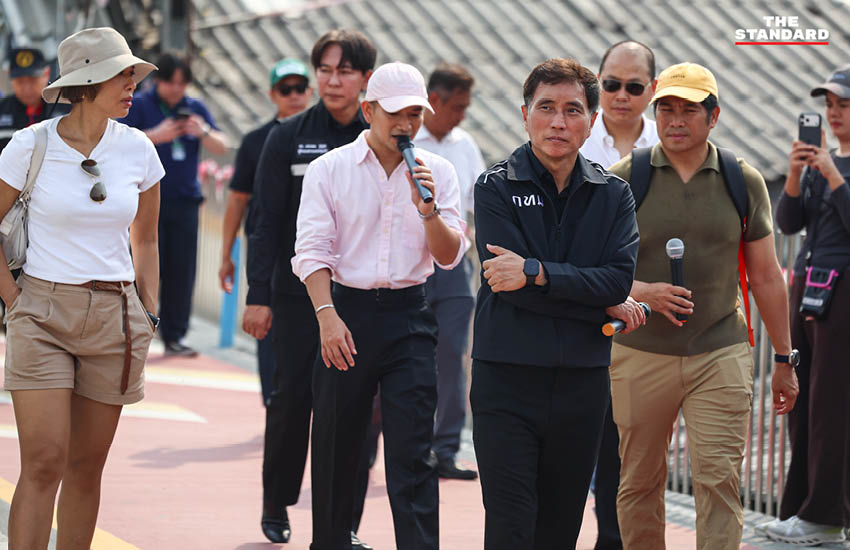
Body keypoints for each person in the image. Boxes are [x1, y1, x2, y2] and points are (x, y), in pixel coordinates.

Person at [607, 62, 799, 550]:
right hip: (641, 351)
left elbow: (767, 276)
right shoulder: (627, 178)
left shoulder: (743, 181)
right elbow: (595, 271)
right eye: (666, 109)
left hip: (721, 348)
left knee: (718, 478)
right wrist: (642, 291)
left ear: (713, 117)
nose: (675, 120)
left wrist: (783, 358)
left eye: (689, 110)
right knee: (639, 482)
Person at [0, 27, 162, 549]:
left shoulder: (138, 149)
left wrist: (148, 311)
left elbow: (147, 238)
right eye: (123, 74)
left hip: (115, 316)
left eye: (133, 74)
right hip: (42, 313)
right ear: (87, 82)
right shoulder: (29, 146)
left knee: (87, 466)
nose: (133, 83)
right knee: (44, 461)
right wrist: (15, 301)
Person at [293, 61, 465, 550]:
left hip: (411, 314)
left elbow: (450, 256)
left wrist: (427, 209)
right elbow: (312, 250)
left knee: (413, 450)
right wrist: (327, 317)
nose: (406, 125)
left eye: (415, 113)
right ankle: (330, 541)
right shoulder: (330, 169)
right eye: (396, 113)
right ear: (368, 110)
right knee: (336, 442)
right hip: (344, 310)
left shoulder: (441, 172)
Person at [471, 57, 641, 550]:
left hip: (581, 383)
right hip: (506, 378)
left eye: (572, 110)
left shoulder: (615, 196)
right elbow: (511, 288)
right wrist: (597, 298)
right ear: (525, 114)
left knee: (560, 527)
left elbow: (616, 282)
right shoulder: (496, 185)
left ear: (592, 120)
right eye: (546, 108)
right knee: (510, 523)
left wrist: (536, 270)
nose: (558, 122)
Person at [242, 30, 376, 548]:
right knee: (291, 401)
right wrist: (259, 295)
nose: (332, 80)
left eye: (344, 71)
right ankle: (276, 501)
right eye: (325, 69)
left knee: (355, 413)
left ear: (366, 78)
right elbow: (266, 221)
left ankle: (343, 524)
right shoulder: (288, 136)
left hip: (362, 299)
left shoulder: (380, 136)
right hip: (298, 298)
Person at [757, 65, 850, 546]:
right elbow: (789, 223)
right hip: (809, 287)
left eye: (844, 106)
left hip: (844, 292)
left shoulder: (835, 167)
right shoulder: (817, 162)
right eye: (829, 106)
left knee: (833, 406)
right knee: (802, 402)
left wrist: (834, 175)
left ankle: (827, 516)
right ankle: (803, 508)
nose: (833, 114)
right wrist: (795, 175)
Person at [578, 39, 658, 550]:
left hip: (655, 319)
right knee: (603, 443)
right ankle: (609, 536)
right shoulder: (575, 142)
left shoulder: (673, 144)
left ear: (651, 90)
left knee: (647, 449)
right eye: (610, 85)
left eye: (633, 87)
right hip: (590, 312)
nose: (621, 96)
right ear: (597, 84)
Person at [119, 51, 228, 357]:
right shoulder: (139, 104)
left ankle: (176, 335)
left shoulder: (194, 108)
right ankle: (135, 329)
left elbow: (222, 145)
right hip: (145, 201)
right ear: (159, 81)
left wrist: (202, 131)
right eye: (171, 82)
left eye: (182, 83)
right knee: (142, 267)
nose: (176, 89)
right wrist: (157, 135)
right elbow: (119, 141)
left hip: (185, 201)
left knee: (182, 271)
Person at [219, 57, 312, 404]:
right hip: (268, 252)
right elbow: (237, 200)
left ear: (310, 91)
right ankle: (274, 400)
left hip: (314, 252)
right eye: (286, 89)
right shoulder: (256, 141)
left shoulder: (324, 138)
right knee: (267, 325)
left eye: (300, 88)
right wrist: (226, 254)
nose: (294, 95)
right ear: (273, 94)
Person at [415, 62, 485, 480]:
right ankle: (407, 444)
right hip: (412, 268)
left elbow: (480, 203)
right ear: (434, 101)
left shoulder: (465, 146)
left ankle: (445, 449)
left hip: (456, 267)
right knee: (407, 357)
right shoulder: (404, 141)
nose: (462, 114)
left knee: (454, 356)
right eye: (457, 106)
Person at [1, 46, 70, 151]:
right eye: (19, 81)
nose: (26, 88)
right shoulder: (2, 109)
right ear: (10, 77)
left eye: (33, 80)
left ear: (46, 74)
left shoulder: (68, 108)